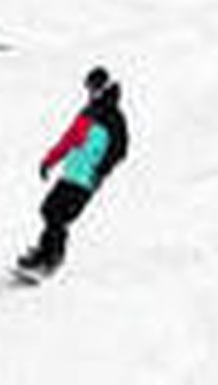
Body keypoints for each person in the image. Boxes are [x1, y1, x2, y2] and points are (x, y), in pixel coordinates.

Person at [15, 67, 128, 280]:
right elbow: (69, 139)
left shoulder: (114, 117)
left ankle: (52, 258)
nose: (90, 92)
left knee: (59, 215)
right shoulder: (88, 112)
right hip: (72, 173)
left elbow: (120, 149)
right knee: (48, 210)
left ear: (104, 87)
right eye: (88, 88)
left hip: (86, 178)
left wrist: (100, 170)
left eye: (94, 88)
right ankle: (45, 251)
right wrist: (50, 160)